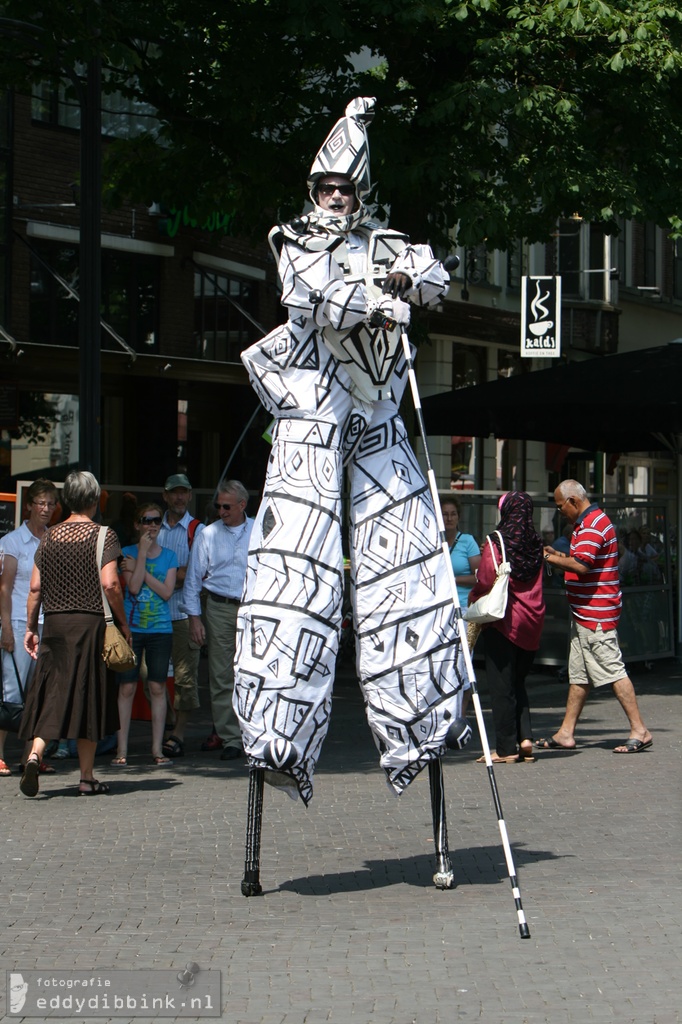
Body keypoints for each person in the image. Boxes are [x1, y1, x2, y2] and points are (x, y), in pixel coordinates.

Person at [233, 97, 467, 805]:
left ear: (362, 194)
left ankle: (422, 722)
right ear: (314, 192)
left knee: (405, 561)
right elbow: (311, 295)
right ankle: (276, 730)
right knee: (294, 562)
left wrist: (408, 280)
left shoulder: (385, 240)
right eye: (327, 188)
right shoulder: (292, 239)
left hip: (374, 409)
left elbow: (435, 276)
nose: (336, 198)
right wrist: (380, 293)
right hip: (311, 409)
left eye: (347, 189)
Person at [19, 470, 131, 797]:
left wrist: (30, 627)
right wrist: (123, 624)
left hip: (54, 625)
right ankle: (86, 778)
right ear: (94, 500)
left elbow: (35, 587)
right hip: (90, 626)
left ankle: (35, 753)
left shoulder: (49, 536)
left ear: (66, 499)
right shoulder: (103, 536)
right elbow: (111, 584)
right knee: (88, 698)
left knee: (53, 694)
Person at [541, 479, 653, 753]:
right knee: (579, 675)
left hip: (596, 615)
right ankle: (566, 732)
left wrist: (551, 559)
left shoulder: (592, 524)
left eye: (560, 507)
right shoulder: (590, 522)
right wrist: (559, 554)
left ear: (573, 502)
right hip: (585, 614)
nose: (560, 512)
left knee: (613, 671)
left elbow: (581, 565)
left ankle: (640, 729)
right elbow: (582, 558)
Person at [468, 492, 545, 763]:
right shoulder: (537, 544)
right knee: (519, 682)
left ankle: (506, 749)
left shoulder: (496, 541)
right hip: (533, 622)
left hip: (504, 622)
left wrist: (475, 596)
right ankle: (525, 739)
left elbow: (487, 577)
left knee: (501, 687)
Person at [182, 480, 253, 760]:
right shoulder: (208, 534)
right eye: (218, 506)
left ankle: (254, 733)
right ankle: (230, 738)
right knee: (221, 675)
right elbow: (192, 580)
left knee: (253, 673)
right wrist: (194, 619)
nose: (221, 511)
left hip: (252, 608)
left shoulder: (259, 530)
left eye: (226, 506)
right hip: (220, 607)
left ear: (242, 505)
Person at [0, 479, 59, 778]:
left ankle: (29, 757)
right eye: (41, 503)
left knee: (40, 693)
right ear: (29, 505)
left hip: (47, 623)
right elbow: (5, 588)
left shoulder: (53, 539)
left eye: (51, 503)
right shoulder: (12, 542)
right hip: (21, 622)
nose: (46, 509)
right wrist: (6, 628)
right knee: (12, 692)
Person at [113, 502, 178, 766]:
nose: (152, 525)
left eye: (157, 521)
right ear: (137, 524)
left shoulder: (170, 556)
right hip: (133, 629)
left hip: (161, 630)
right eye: (146, 520)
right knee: (127, 687)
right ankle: (121, 750)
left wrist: (140, 564)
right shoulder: (126, 553)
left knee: (157, 686)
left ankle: (157, 749)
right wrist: (141, 554)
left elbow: (166, 592)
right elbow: (134, 588)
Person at [158, 474, 204, 758]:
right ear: (165, 495)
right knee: (154, 676)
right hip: (154, 616)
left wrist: (160, 581)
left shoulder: (197, 530)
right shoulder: (153, 525)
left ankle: (179, 733)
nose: (178, 498)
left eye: (183, 493)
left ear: (189, 495)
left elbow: (196, 572)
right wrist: (174, 577)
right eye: (173, 493)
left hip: (184, 614)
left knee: (186, 678)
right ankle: (168, 722)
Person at [441, 495, 481, 608]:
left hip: (464, 605)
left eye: (453, 514)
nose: (449, 518)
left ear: (458, 517)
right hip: (439, 607)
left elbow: (479, 577)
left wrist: (453, 579)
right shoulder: (432, 542)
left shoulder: (468, 541)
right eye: (445, 514)